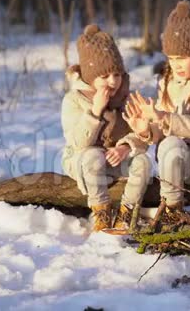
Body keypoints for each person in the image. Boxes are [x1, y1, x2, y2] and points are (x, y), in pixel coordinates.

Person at [125, 0, 190, 210]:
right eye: (171, 58)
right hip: (179, 156)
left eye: (182, 58)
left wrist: (163, 117)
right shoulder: (166, 80)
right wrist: (147, 130)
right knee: (170, 146)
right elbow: (165, 131)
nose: (176, 65)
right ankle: (172, 207)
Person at [61, 24, 152, 233]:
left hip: (114, 161)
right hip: (83, 161)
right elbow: (78, 143)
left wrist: (126, 147)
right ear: (90, 77)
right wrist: (95, 111)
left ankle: (127, 212)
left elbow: (142, 135)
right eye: (104, 77)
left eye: (117, 74)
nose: (113, 82)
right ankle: (101, 211)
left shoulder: (126, 97)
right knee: (92, 156)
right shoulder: (73, 100)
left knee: (143, 161)